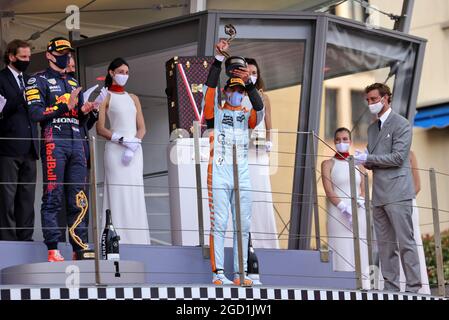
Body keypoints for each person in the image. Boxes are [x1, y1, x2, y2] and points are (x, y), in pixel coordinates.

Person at [25, 37, 95, 262]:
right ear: (49, 55)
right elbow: (36, 114)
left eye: (68, 52)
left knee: (78, 197)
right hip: (54, 140)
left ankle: (79, 248)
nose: (66, 56)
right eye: (61, 52)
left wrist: (87, 111)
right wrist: (65, 105)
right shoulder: (38, 80)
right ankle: (53, 248)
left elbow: (80, 119)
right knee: (53, 194)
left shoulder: (74, 83)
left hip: (77, 141)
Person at [203, 40, 264, 286]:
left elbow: (259, 110)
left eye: (241, 91)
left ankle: (241, 274)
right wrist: (218, 60)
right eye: (234, 90)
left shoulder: (246, 114)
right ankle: (218, 274)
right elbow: (209, 90)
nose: (237, 94)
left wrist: (249, 82)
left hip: (242, 174)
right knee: (220, 223)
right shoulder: (215, 113)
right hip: (219, 172)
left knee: (243, 225)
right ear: (226, 91)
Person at [354, 83, 421, 293]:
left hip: (399, 192)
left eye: (374, 99)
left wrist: (370, 158)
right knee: (384, 245)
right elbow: (375, 160)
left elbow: (399, 157)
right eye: (368, 100)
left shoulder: (401, 124)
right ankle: (391, 288)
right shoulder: (372, 129)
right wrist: (364, 159)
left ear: (386, 98)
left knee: (405, 242)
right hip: (379, 194)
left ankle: (413, 287)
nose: (370, 103)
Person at [96, 57, 151, 245]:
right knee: (117, 193)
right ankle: (115, 238)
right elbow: (100, 128)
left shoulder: (133, 97)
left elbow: (142, 127)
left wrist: (134, 142)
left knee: (134, 191)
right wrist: (122, 140)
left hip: (134, 151)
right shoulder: (105, 96)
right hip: (115, 149)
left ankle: (138, 240)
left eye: (126, 73)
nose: (124, 76)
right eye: (120, 72)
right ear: (111, 73)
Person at [321, 127, 370, 289]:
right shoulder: (328, 163)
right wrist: (343, 207)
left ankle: (363, 284)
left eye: (345, 139)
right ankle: (342, 286)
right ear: (334, 142)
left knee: (360, 246)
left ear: (350, 141)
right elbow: (329, 190)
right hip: (338, 211)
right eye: (338, 139)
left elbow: (364, 185)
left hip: (358, 211)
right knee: (341, 247)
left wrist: (361, 200)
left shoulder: (359, 163)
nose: (342, 142)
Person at [0, 39, 38, 241]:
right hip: (8, 146)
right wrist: (21, 96)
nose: (27, 60)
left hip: (30, 146)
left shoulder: (30, 80)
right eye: (23, 57)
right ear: (11, 56)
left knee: (27, 196)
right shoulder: (1, 79)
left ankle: (26, 237)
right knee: (7, 196)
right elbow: (1, 111)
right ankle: (7, 239)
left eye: (29, 56)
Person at [243, 57, 279, 249]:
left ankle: (265, 242)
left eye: (255, 72)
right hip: (242, 152)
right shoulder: (236, 95)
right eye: (248, 72)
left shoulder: (264, 97)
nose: (252, 76)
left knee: (261, 193)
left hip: (259, 151)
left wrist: (270, 143)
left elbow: (269, 125)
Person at [397, 150, 430, 294]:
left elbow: (417, 185)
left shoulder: (410, 155)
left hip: (408, 203)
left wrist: (402, 201)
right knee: (394, 245)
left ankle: (417, 286)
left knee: (412, 242)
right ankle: (396, 286)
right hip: (389, 205)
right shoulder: (383, 153)